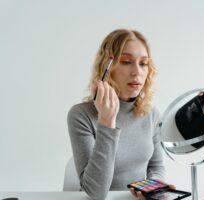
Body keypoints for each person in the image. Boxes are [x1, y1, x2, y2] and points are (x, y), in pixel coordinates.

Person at [67, 29, 167, 200]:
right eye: (126, 61)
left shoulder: (151, 114)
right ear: (107, 67)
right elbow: (95, 193)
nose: (137, 72)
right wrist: (106, 121)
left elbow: (156, 167)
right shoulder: (81, 115)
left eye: (143, 63)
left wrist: (153, 190)